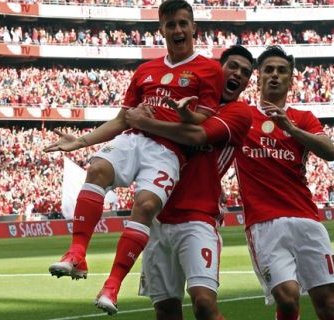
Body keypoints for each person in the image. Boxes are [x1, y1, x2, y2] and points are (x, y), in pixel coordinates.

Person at [44, 0, 223, 314]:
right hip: (133, 138)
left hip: (169, 150)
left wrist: (185, 115)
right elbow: (122, 120)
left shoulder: (209, 69)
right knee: (96, 168)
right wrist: (81, 141)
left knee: (145, 206)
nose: (178, 30)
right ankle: (77, 253)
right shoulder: (145, 70)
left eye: (183, 23)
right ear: (161, 30)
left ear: (194, 28)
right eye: (171, 24)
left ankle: (112, 286)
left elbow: (204, 122)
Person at [125, 45, 254, 320]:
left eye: (245, 72)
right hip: (157, 214)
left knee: (204, 304)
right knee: (166, 309)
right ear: (217, 70)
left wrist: (143, 122)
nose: (238, 74)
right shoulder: (182, 99)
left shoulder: (238, 113)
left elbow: (195, 135)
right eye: (233, 66)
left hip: (198, 215)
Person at [233, 46, 334, 320]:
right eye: (268, 70)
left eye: (281, 71)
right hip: (264, 223)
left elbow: (330, 151)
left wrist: (292, 129)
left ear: (291, 79)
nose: (274, 75)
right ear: (258, 78)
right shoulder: (241, 116)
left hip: (306, 219)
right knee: (287, 298)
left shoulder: (303, 118)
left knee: (327, 304)